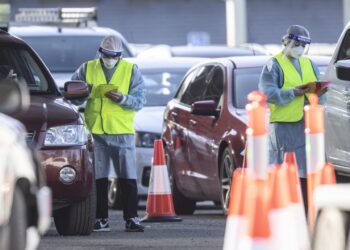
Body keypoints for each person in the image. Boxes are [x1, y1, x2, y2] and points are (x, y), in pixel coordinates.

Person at [72, 35, 146, 232]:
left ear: (120, 56)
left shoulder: (131, 70)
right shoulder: (87, 68)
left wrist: (122, 98)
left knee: (127, 177)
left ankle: (131, 218)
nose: (109, 59)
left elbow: (139, 100)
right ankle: (101, 219)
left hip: (122, 131)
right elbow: (73, 97)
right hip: (96, 131)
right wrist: (84, 93)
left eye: (113, 56)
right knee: (99, 178)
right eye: (106, 55)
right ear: (100, 52)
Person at [258, 25, 327, 212]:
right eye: (296, 44)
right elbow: (268, 93)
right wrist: (293, 93)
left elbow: (319, 92)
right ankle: (281, 208)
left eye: (303, 45)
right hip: (284, 126)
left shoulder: (309, 63)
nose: (299, 48)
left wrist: (320, 94)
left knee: (307, 169)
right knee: (285, 168)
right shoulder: (274, 64)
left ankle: (305, 209)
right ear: (287, 42)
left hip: (308, 125)